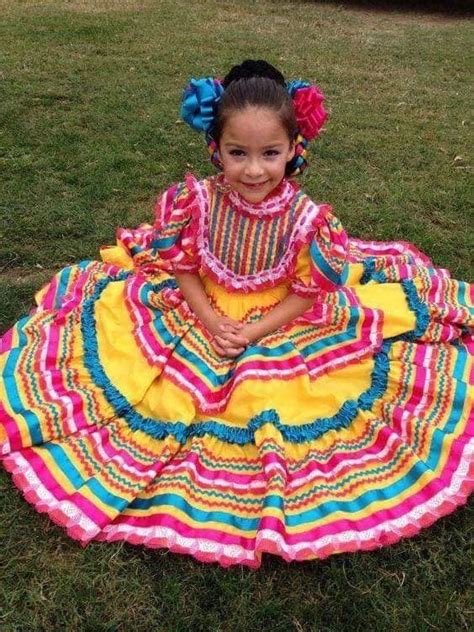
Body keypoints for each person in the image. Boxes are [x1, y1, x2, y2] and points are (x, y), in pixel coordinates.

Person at [0, 60, 472, 569]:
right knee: (137, 375)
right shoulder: (195, 202)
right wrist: (206, 317)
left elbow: (307, 292)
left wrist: (253, 331)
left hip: (280, 313)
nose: (253, 169)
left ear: (295, 148)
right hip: (202, 299)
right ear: (215, 149)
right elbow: (180, 263)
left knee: (303, 396)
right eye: (237, 153)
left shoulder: (309, 221)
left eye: (270, 153)